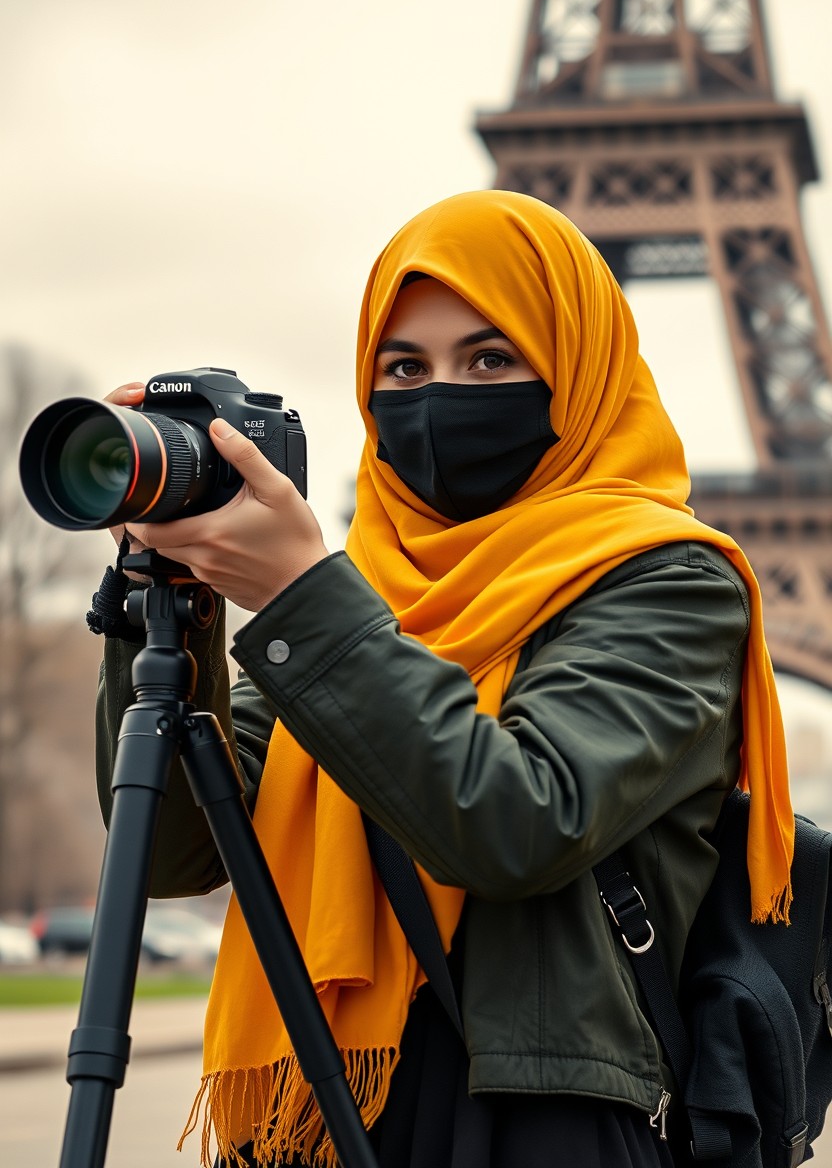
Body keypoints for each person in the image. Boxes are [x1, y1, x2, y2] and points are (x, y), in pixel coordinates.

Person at [95, 190, 794, 1168]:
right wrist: (172, 604)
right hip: (320, 1115)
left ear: (575, 370)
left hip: (541, 1124)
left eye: (490, 359)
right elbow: (176, 850)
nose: (439, 397)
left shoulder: (669, 581)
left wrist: (302, 599)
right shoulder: (371, 596)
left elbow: (517, 818)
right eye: (404, 366)